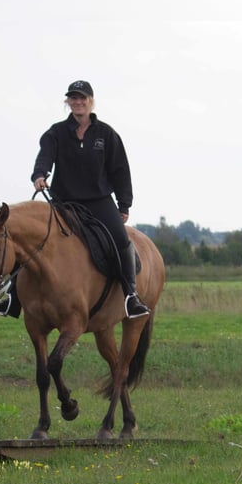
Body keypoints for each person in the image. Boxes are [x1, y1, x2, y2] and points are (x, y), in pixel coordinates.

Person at [30, 80, 150, 319]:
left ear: (90, 101)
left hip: (98, 201)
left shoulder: (106, 134)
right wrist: (40, 174)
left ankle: (131, 296)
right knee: (33, 239)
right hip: (64, 202)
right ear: (68, 102)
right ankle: (11, 299)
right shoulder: (55, 133)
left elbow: (120, 170)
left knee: (120, 239)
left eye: (82, 98)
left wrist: (124, 204)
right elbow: (45, 156)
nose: (78, 102)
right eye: (73, 98)